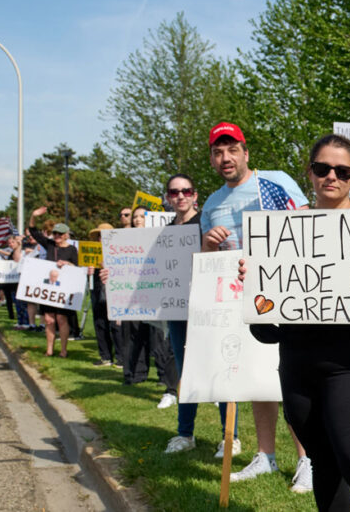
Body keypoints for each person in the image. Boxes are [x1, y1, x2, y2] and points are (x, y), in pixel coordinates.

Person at [240, 134, 350, 511]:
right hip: (298, 366)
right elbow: (265, 331)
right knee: (324, 464)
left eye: (341, 170)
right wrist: (255, 284)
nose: (330, 176)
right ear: (310, 173)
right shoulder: (280, 233)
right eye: (322, 168)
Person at [198, 121, 313, 490]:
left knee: (291, 376)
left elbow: (309, 226)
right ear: (213, 159)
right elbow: (205, 262)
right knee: (256, 377)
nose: (225, 157)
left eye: (232, 150)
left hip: (282, 294)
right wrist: (210, 246)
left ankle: (307, 458)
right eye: (218, 152)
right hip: (237, 299)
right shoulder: (212, 203)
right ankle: (266, 456)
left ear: (246, 153)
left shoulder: (275, 183)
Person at [162, 173, 239, 456]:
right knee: (186, 371)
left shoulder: (206, 224)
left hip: (211, 308)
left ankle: (230, 436)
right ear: (168, 198)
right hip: (178, 310)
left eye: (186, 191)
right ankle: (185, 434)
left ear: (195, 195)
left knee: (223, 366)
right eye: (174, 192)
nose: (180, 196)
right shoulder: (165, 232)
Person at [113, 207, 178, 403]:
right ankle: (133, 373)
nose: (138, 219)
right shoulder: (124, 240)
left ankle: (164, 377)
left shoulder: (161, 237)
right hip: (132, 294)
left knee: (159, 338)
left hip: (156, 292)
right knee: (133, 336)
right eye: (135, 217)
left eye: (143, 216)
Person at [26, 208, 79, 357]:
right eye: (55, 233)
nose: (57, 236)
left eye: (60, 234)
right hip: (48, 289)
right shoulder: (49, 245)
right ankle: (49, 349)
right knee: (49, 319)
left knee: (61, 319)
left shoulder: (72, 250)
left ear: (66, 235)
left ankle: (63, 350)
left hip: (63, 289)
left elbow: (77, 268)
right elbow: (33, 230)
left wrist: (67, 264)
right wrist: (33, 215)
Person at [86, 223, 120, 367]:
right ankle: (105, 356)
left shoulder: (118, 251)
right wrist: (88, 271)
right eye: (100, 236)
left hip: (114, 288)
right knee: (99, 322)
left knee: (115, 324)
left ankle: (120, 357)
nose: (101, 239)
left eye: (104, 236)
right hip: (97, 287)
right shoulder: (91, 253)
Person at [0, 234, 27, 327]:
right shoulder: (12, 252)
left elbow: (17, 259)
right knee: (16, 302)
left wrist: (19, 246)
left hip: (19, 282)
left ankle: (25, 322)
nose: (11, 244)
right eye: (9, 243)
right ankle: (20, 321)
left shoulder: (21, 251)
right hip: (12, 282)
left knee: (21, 303)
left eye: (13, 242)